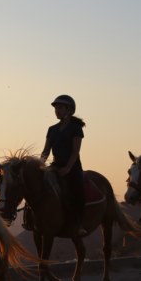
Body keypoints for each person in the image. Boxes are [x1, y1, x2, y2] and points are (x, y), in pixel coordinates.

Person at [40, 94, 86, 235]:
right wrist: (39, 165)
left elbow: (75, 152)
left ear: (69, 110)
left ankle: (78, 224)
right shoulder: (51, 129)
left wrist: (67, 168)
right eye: (56, 108)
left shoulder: (76, 128)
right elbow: (46, 151)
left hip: (72, 167)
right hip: (55, 166)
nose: (57, 110)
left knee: (77, 189)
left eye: (60, 108)